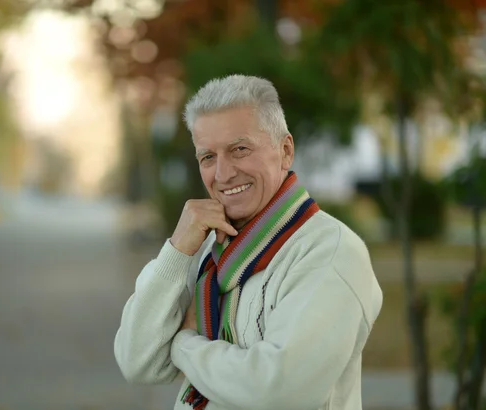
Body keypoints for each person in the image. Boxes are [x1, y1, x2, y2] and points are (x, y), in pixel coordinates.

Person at [114, 74, 383, 410]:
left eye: (239, 149)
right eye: (207, 157)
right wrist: (177, 251)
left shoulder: (330, 253)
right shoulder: (210, 250)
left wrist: (184, 344)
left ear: (285, 151)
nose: (223, 174)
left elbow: (277, 391)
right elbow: (137, 361)